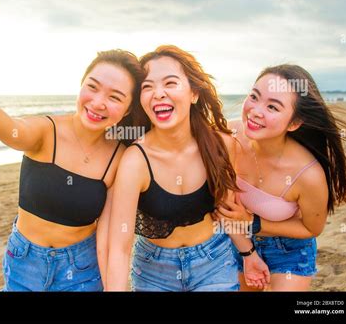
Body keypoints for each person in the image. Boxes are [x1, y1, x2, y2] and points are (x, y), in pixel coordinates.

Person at [0, 30, 145, 291]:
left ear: (128, 109)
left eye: (114, 97)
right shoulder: (45, 132)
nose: (98, 102)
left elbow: (109, 238)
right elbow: (6, 127)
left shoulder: (119, 157)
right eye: (92, 87)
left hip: (82, 269)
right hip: (24, 262)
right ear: (81, 85)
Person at [106, 45, 270, 291]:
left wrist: (249, 254)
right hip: (153, 269)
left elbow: (226, 212)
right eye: (147, 87)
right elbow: (120, 245)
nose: (158, 93)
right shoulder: (135, 161)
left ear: (194, 93)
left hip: (214, 259)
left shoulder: (221, 145)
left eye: (170, 83)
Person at [213, 64, 346, 291]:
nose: (255, 110)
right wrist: (248, 252)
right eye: (254, 97)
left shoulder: (308, 174)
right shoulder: (227, 137)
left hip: (290, 250)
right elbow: (224, 211)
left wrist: (251, 223)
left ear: (294, 123)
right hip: (237, 241)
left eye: (272, 106)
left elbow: (312, 229)